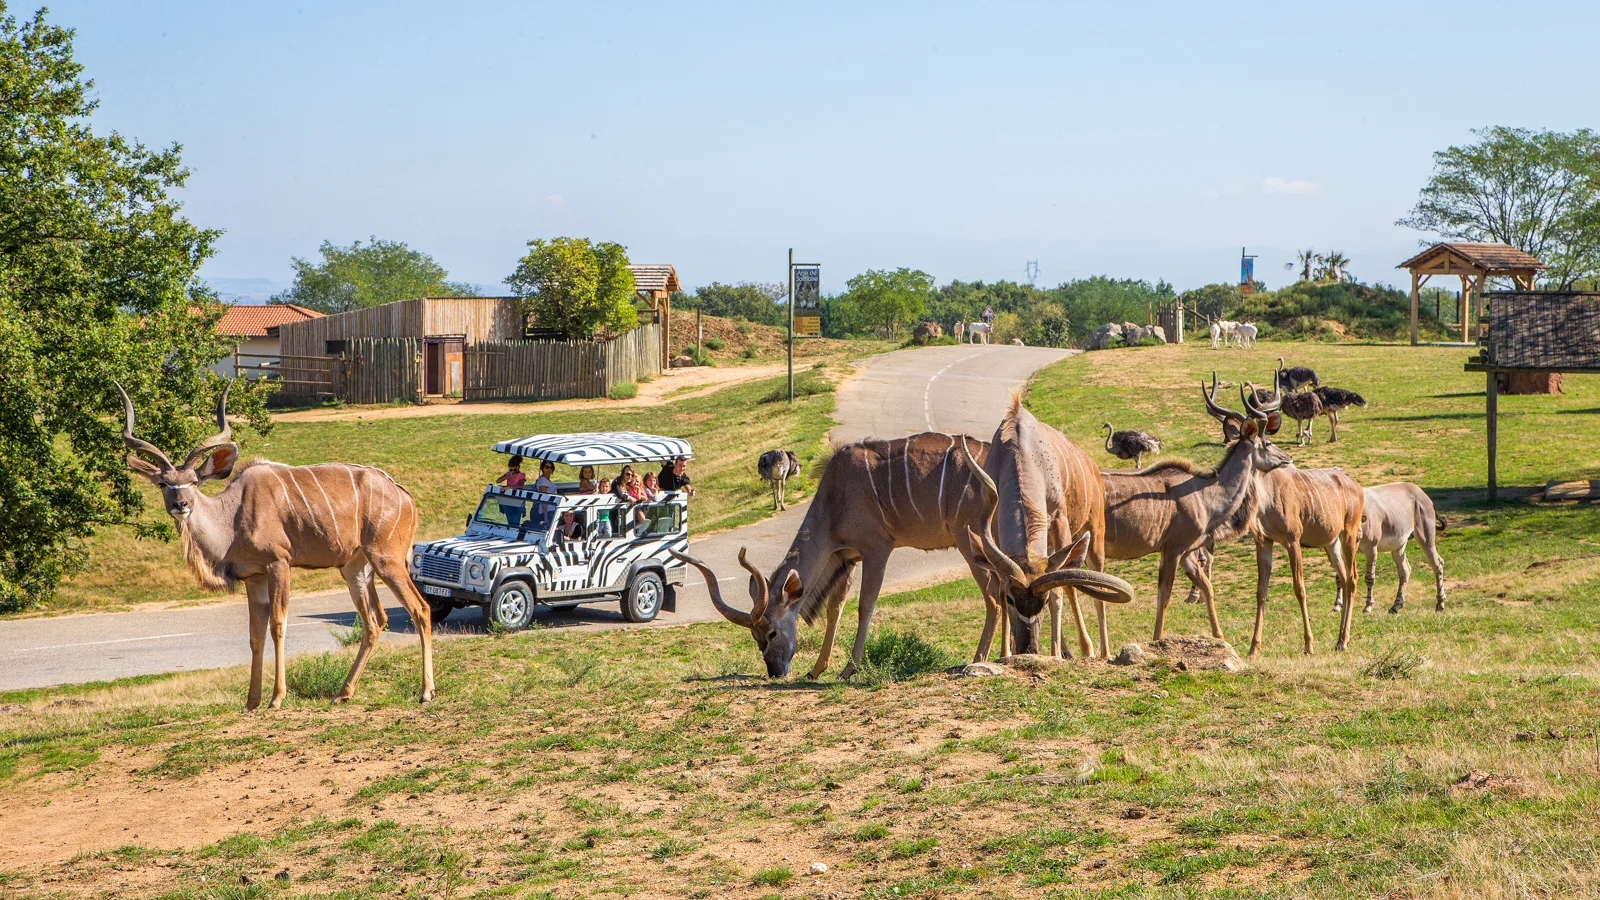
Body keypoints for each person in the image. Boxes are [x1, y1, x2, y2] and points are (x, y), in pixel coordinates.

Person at [494, 456, 527, 526]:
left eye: (514, 470)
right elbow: (498, 481)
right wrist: (506, 477)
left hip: (517, 500)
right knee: (509, 519)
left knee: (515, 520)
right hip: (508, 500)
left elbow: (521, 486)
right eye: (510, 470)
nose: (512, 472)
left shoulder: (521, 475)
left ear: (518, 467)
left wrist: (509, 487)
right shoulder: (508, 474)